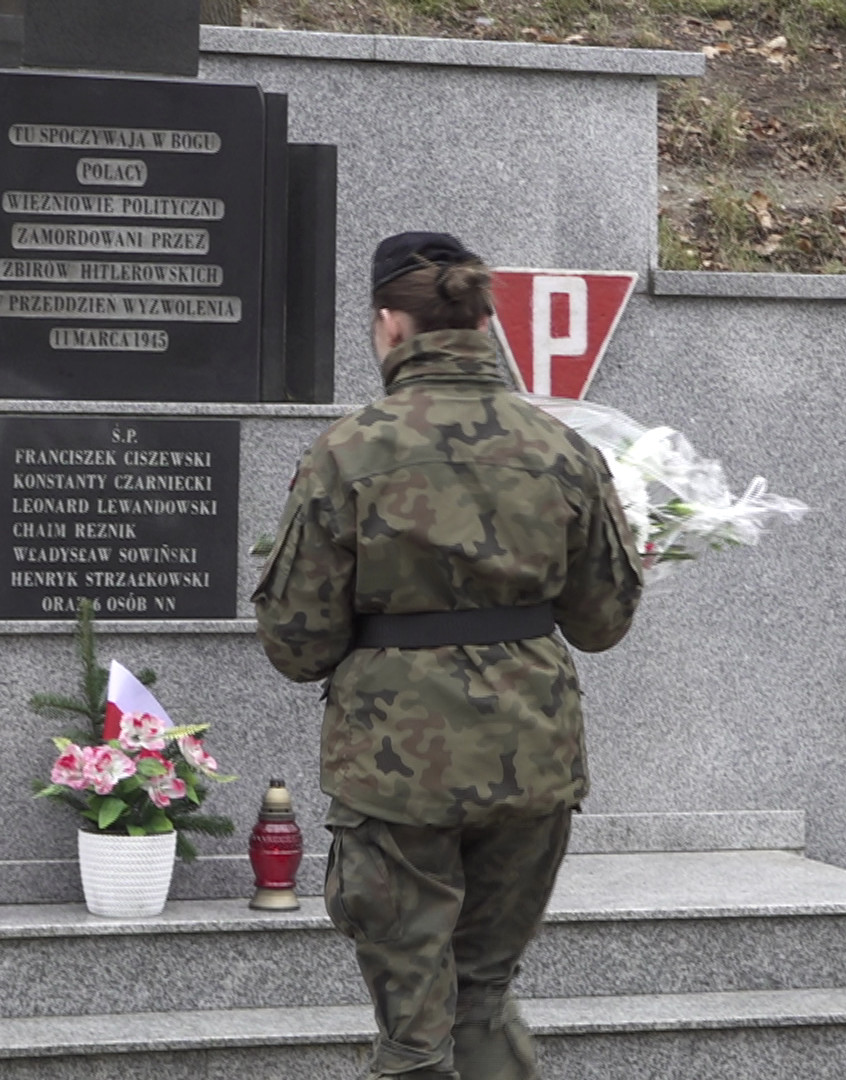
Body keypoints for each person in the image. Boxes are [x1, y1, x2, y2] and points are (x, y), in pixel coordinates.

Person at [252, 231, 643, 1079]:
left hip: (396, 771)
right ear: (479, 323)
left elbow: (296, 643)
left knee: (413, 1029)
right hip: (532, 757)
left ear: (391, 325)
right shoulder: (563, 449)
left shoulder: (348, 452)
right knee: (485, 995)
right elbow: (603, 621)